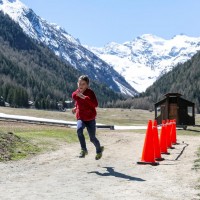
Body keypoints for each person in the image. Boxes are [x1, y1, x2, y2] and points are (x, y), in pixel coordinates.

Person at [72, 75, 104, 160]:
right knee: (79, 130)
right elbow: (74, 96)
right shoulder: (77, 92)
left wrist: (85, 98)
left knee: (92, 138)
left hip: (90, 119)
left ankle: (99, 150)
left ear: (87, 85)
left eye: (83, 84)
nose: (81, 85)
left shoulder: (90, 93)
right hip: (81, 117)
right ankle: (84, 149)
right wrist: (76, 107)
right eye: (79, 83)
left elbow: (95, 104)